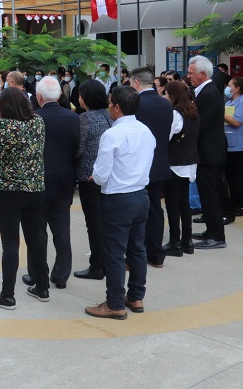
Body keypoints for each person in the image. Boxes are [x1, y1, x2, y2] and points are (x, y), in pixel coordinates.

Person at [0, 87, 49, 309]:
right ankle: (42, 287)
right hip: (35, 189)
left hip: (8, 193)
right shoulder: (37, 123)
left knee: (10, 244)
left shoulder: (2, 126)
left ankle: (7, 295)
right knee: (36, 239)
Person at [85, 86, 155, 320]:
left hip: (118, 198)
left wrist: (95, 176)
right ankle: (136, 296)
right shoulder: (146, 131)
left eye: (110, 103)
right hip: (141, 195)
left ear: (117, 107)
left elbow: (102, 174)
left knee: (114, 253)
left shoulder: (113, 134)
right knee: (137, 248)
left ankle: (114, 303)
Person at [23, 77, 79, 290]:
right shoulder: (72, 118)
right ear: (59, 95)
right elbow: (76, 148)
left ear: (38, 97)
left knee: (36, 231)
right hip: (64, 178)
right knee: (62, 230)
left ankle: (37, 274)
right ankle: (61, 275)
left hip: (38, 180)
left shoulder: (32, 118)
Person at [131, 66, 173, 268]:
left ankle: (137, 254)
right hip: (161, 162)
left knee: (137, 211)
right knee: (155, 208)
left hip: (140, 165)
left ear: (136, 82)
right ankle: (156, 254)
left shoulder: (136, 104)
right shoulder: (166, 104)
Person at [73, 80, 113, 280]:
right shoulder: (108, 115)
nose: (78, 98)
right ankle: (106, 261)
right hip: (106, 175)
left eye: (80, 94)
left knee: (94, 222)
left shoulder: (86, 118)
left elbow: (79, 148)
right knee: (104, 220)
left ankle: (97, 265)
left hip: (89, 175)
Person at [189, 55, 229, 250]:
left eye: (191, 73)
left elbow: (201, 125)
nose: (188, 76)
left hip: (210, 153)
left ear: (203, 74)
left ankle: (216, 236)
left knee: (210, 195)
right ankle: (211, 230)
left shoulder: (210, 93)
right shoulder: (205, 91)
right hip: (208, 152)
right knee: (207, 195)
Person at [162, 80, 200, 256]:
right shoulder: (193, 111)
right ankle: (187, 241)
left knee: (172, 204)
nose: (164, 97)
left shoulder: (176, 114)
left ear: (173, 96)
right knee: (183, 203)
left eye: (166, 94)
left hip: (175, 162)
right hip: (189, 162)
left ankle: (175, 243)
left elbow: (166, 137)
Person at [223, 77, 243, 216]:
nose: (227, 88)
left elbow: (236, 122)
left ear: (237, 88)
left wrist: (220, 113)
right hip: (228, 144)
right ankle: (234, 203)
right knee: (230, 177)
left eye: (229, 85)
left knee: (239, 177)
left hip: (239, 146)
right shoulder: (230, 101)